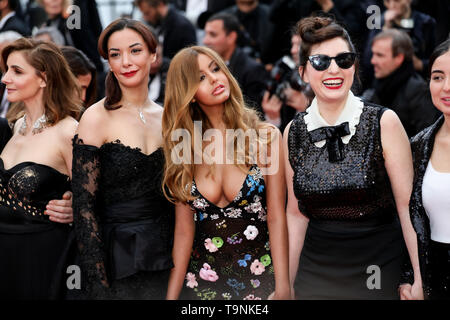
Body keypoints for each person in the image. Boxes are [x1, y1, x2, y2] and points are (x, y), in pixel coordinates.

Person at [285, 16, 421, 299]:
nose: (334, 69)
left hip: (379, 268)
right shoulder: (293, 132)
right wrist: (286, 283)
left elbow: (409, 207)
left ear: (354, 66)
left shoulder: (384, 122)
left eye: (344, 59)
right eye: (321, 61)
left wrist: (420, 278)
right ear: (303, 72)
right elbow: (295, 216)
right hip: (315, 270)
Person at [163, 45, 290, 300]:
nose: (214, 79)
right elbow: (184, 231)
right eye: (200, 78)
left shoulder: (265, 137)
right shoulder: (183, 146)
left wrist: (284, 285)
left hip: (260, 282)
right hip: (200, 287)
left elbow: (277, 216)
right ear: (188, 93)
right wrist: (171, 296)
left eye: (215, 68)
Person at [72, 18, 174, 299]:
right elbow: (84, 207)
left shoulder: (168, 116)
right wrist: (97, 282)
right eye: (115, 55)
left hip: (166, 254)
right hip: (115, 257)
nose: (126, 62)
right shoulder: (95, 117)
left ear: (154, 54)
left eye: (135, 51)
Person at [0, 38, 81, 299]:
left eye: (17, 71)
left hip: (43, 257)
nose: (5, 78)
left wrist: (75, 207)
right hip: (5, 254)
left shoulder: (69, 131)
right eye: (6, 70)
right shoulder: (14, 127)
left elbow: (96, 198)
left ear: (44, 79)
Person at [399, 39, 450, 300]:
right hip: (434, 280)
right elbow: (407, 219)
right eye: (438, 77)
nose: (447, 87)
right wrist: (409, 280)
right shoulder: (418, 145)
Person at [362, 29, 441, 137]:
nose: (373, 61)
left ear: (399, 58)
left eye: (379, 55)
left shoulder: (418, 90)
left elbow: (426, 138)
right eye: (373, 54)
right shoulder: (376, 87)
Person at [203, 12, 269, 115]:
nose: (205, 41)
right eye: (205, 34)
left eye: (213, 35)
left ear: (231, 37)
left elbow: (255, 114)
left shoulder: (252, 70)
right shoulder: (204, 65)